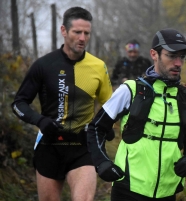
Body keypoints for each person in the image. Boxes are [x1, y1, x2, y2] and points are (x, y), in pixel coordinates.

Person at [87, 28, 186, 200]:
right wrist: (102, 163)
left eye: (182, 56)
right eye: (171, 56)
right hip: (127, 190)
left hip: (168, 192)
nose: (178, 63)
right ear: (154, 54)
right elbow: (95, 128)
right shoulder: (130, 91)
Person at [11, 7, 113, 201]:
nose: (82, 38)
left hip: (83, 145)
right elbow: (19, 103)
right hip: (50, 145)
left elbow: (110, 103)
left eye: (87, 33)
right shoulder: (44, 65)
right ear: (64, 31)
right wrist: (39, 120)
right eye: (77, 32)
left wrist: (105, 125)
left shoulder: (98, 66)